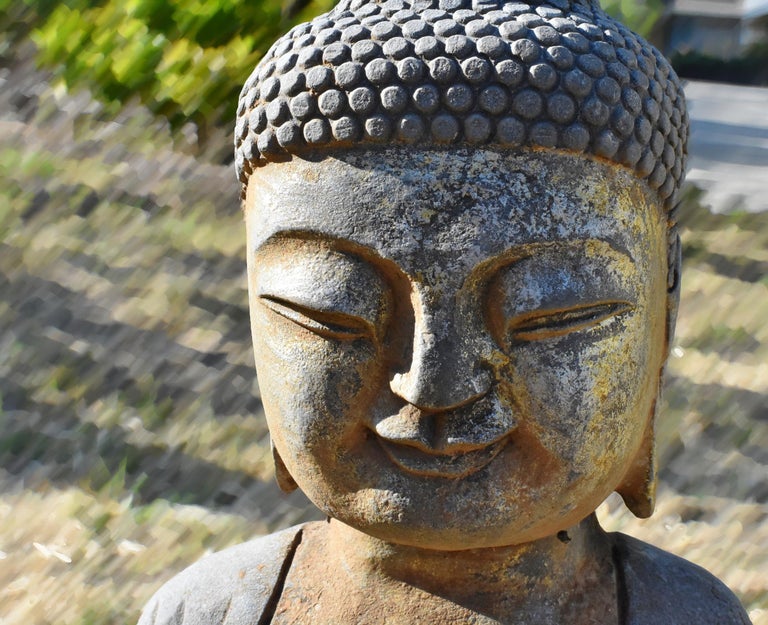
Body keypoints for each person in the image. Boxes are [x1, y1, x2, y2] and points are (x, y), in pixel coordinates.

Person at [139, 0, 752, 623]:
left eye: (551, 316)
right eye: (334, 314)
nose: (435, 387)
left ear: (663, 312)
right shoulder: (213, 608)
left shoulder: (682, 612)